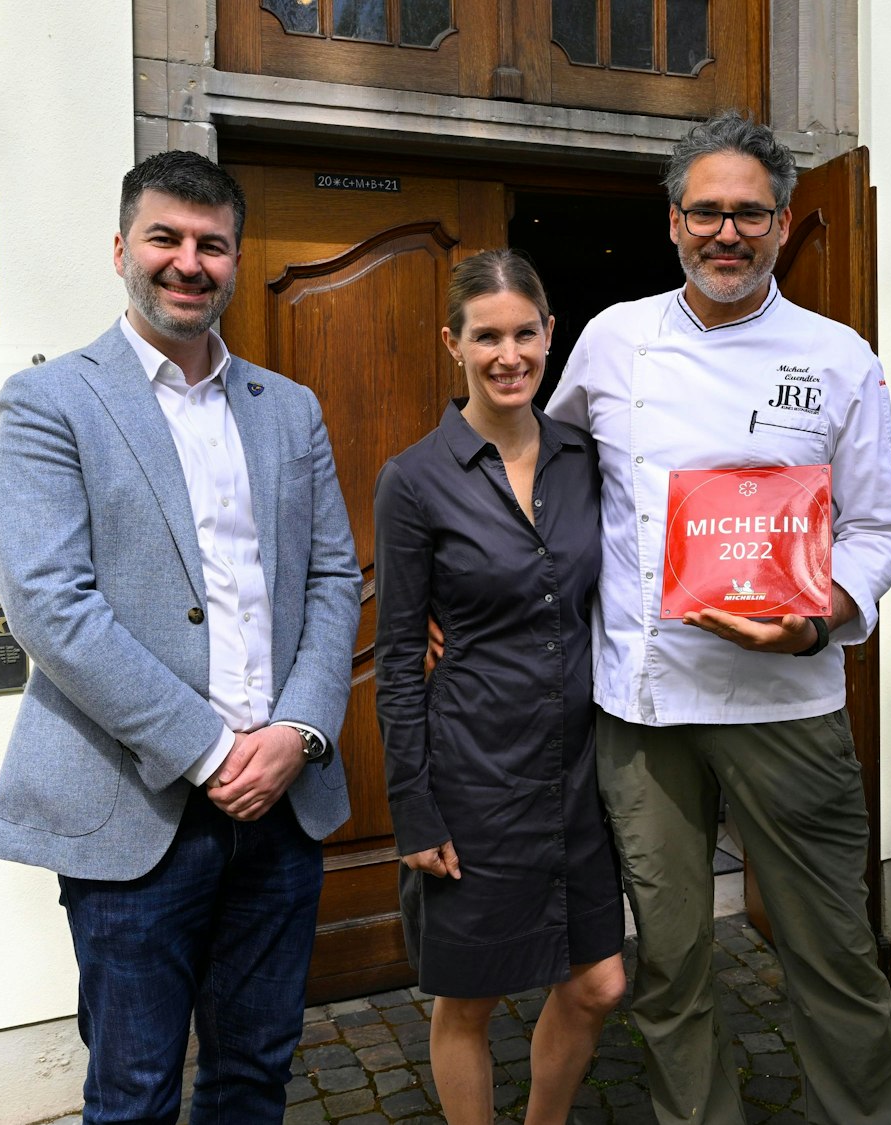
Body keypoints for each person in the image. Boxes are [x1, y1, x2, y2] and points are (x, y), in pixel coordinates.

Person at [546, 111, 891, 1125]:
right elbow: (550, 484)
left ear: (784, 223)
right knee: (668, 964)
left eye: (747, 214)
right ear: (671, 223)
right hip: (641, 706)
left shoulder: (836, 356)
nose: (725, 233)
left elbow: (881, 527)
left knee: (832, 955)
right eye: (704, 212)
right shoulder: (612, 341)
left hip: (786, 706)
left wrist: (819, 615)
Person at [0, 150, 363, 1125]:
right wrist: (206, 750)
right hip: (133, 817)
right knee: (133, 1095)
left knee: (252, 1079)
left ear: (236, 260)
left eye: (211, 244)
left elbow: (331, 579)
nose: (187, 261)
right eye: (166, 237)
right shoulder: (51, 402)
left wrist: (299, 731)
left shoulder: (290, 409)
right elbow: (49, 606)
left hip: (281, 810)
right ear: (122, 248)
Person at [372, 250, 627, 1124]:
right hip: (472, 776)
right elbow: (399, 657)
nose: (508, 354)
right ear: (454, 343)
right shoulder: (414, 480)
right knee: (467, 999)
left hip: (579, 773)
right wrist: (414, 806)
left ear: (551, 336)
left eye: (525, 333)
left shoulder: (585, 460)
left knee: (598, 980)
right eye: (487, 336)